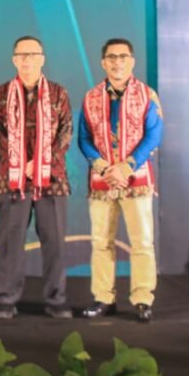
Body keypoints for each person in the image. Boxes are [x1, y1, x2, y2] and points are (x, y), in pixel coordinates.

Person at [78, 38, 163, 323]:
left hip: (135, 178)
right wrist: (103, 166)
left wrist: (127, 165)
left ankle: (142, 298)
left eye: (123, 56)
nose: (117, 62)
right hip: (102, 180)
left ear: (132, 61)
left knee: (142, 242)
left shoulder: (147, 95)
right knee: (101, 242)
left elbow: (154, 134)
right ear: (103, 62)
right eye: (112, 57)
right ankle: (104, 298)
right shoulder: (91, 97)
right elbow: (84, 138)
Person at [0, 36, 73, 320]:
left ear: (42, 59)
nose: (27, 60)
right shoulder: (2, 93)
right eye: (22, 55)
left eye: (33, 54)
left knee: (55, 243)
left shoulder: (58, 93)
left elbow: (65, 132)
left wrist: (38, 162)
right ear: (14, 59)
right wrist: (21, 162)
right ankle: (6, 299)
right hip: (12, 179)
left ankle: (56, 300)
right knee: (10, 243)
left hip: (52, 179)